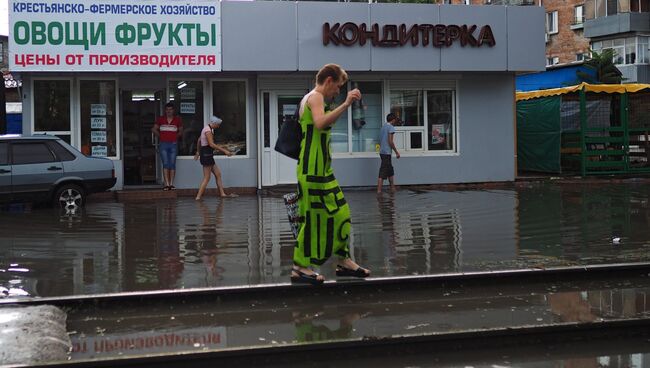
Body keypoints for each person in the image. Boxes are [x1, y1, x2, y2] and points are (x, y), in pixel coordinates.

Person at [291, 63, 371, 285]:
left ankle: (343, 260)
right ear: (328, 81)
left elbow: (324, 122)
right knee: (313, 217)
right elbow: (319, 123)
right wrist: (346, 104)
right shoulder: (315, 97)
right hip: (312, 169)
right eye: (337, 86)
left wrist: (344, 104)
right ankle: (300, 266)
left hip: (321, 170)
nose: (338, 91)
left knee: (341, 212)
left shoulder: (317, 99)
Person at [193, 116, 236, 200]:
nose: (218, 126)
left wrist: (198, 152)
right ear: (214, 123)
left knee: (218, 174)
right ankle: (198, 197)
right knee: (207, 177)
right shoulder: (208, 130)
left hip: (207, 154)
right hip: (206, 155)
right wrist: (225, 151)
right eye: (218, 125)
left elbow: (199, 140)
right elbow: (211, 144)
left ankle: (222, 194)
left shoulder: (208, 128)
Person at [152, 102, 183, 190]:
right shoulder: (160, 119)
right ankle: (166, 184)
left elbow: (181, 131)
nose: (169, 111)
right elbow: (154, 129)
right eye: (167, 110)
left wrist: (175, 137)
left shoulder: (177, 120)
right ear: (165, 111)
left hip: (173, 144)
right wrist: (160, 136)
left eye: (170, 109)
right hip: (163, 144)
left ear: (173, 110)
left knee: (172, 164)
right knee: (165, 164)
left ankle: (171, 184)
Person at [377, 113, 401, 194]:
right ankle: (379, 191)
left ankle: (392, 188)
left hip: (382, 152)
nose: (395, 121)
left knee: (390, 170)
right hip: (387, 152)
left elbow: (380, 140)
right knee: (383, 171)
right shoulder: (391, 127)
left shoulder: (383, 127)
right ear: (393, 120)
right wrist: (396, 152)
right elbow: (390, 141)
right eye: (395, 120)